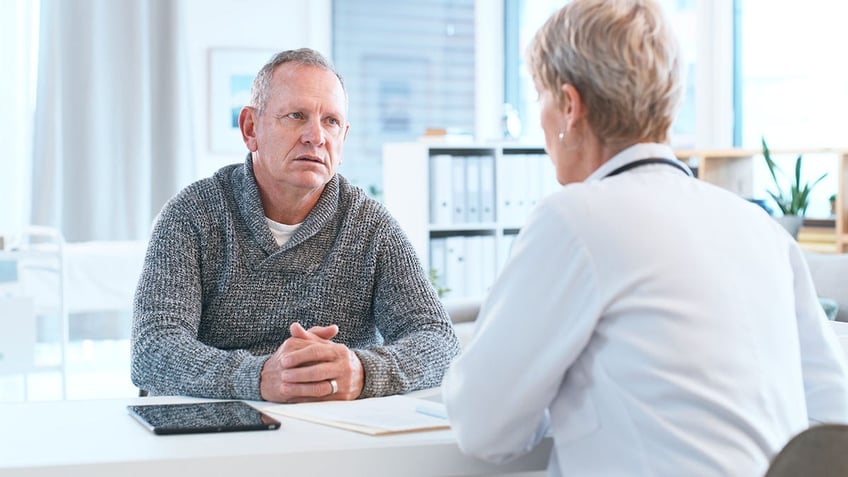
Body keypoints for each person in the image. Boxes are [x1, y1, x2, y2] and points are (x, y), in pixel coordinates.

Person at [441, 1, 848, 475]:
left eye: (540, 97)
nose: (541, 120)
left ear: (570, 107)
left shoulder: (575, 219)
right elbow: (832, 417)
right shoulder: (760, 228)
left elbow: (482, 427)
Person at [131, 48, 460, 403]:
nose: (315, 136)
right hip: (215, 429)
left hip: (332, 434)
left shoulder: (372, 227)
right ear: (250, 128)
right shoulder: (191, 215)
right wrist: (257, 377)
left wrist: (363, 371)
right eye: (296, 116)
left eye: (331, 121)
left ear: (343, 138)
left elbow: (438, 340)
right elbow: (153, 347)